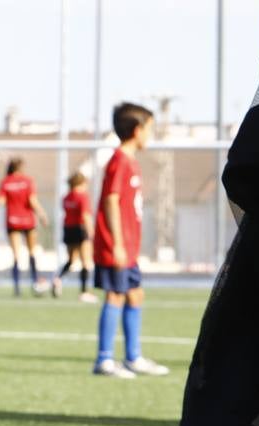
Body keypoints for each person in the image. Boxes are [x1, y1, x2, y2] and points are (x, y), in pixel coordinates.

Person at [92, 102, 168, 378]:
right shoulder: (119, 161)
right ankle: (104, 360)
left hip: (129, 247)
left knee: (135, 295)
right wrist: (118, 243)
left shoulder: (130, 162)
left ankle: (133, 357)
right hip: (116, 247)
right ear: (137, 130)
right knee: (116, 294)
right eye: (150, 129)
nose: (151, 135)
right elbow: (111, 201)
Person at [0, 158, 49, 297]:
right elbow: (33, 201)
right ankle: (35, 282)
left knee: (16, 255)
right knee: (32, 252)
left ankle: (17, 288)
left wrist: (8, 197)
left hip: (12, 221)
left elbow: (0, 202)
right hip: (28, 221)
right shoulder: (27, 181)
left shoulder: (5, 182)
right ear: (20, 168)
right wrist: (42, 214)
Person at [53, 172, 96, 302]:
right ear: (81, 183)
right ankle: (84, 292)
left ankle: (58, 278)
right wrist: (92, 232)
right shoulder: (82, 197)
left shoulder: (66, 198)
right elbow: (85, 216)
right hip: (80, 229)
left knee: (71, 260)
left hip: (68, 229)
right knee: (85, 261)